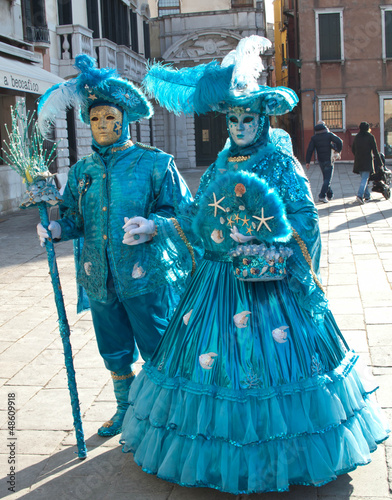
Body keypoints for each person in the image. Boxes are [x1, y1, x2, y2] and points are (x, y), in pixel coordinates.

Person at [120, 36, 389, 494]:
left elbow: (304, 218)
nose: (241, 125)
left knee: (273, 369)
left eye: (249, 117)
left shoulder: (278, 160)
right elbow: (195, 213)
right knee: (213, 368)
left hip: (269, 281)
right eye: (233, 118)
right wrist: (155, 227)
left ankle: (282, 455)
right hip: (217, 282)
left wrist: (266, 234)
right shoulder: (222, 160)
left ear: (263, 118)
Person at [36, 55, 198, 437]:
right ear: (87, 123)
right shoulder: (81, 171)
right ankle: (126, 408)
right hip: (99, 277)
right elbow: (76, 219)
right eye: (95, 119)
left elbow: (185, 214)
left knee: (159, 345)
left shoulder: (155, 163)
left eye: (110, 118)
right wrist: (56, 228)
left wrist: (154, 226)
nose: (103, 125)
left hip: (145, 276)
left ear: (124, 119)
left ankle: (165, 412)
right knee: (113, 347)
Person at [305, 121, 343, 203]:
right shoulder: (329, 135)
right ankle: (322, 195)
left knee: (326, 178)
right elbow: (339, 141)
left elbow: (310, 150)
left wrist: (307, 161)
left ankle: (330, 194)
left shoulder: (314, 138)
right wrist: (338, 150)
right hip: (329, 160)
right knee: (327, 179)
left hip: (321, 160)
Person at [352, 121, 382, 204]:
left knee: (364, 178)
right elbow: (375, 151)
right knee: (365, 179)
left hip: (359, 161)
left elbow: (353, 149)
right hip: (367, 160)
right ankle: (359, 195)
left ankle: (367, 196)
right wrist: (380, 164)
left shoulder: (357, 137)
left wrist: (357, 155)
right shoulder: (370, 136)